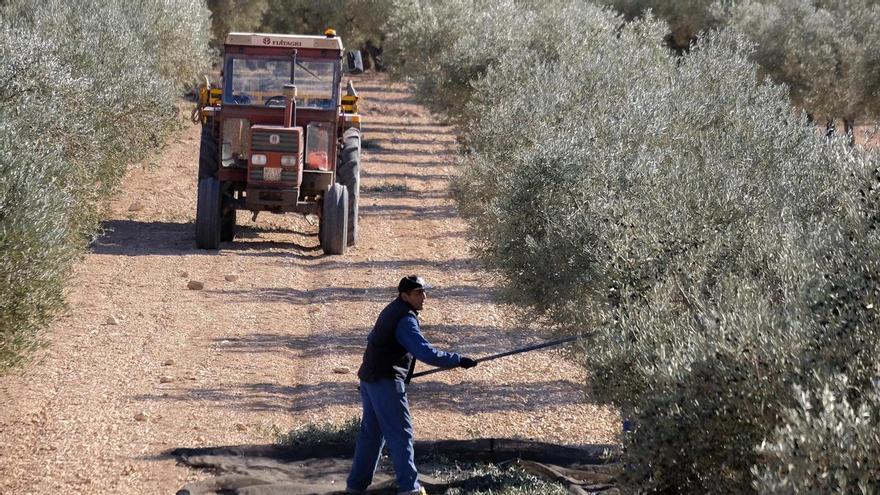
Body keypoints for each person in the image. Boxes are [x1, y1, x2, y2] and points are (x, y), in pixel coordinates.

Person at [346, 275, 478, 495]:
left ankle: (355, 486)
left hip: (370, 380)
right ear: (404, 295)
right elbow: (423, 351)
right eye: (418, 293)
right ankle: (410, 489)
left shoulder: (392, 310)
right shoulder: (405, 319)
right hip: (386, 382)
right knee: (401, 433)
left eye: (424, 292)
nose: (424, 297)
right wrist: (457, 360)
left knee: (372, 435)